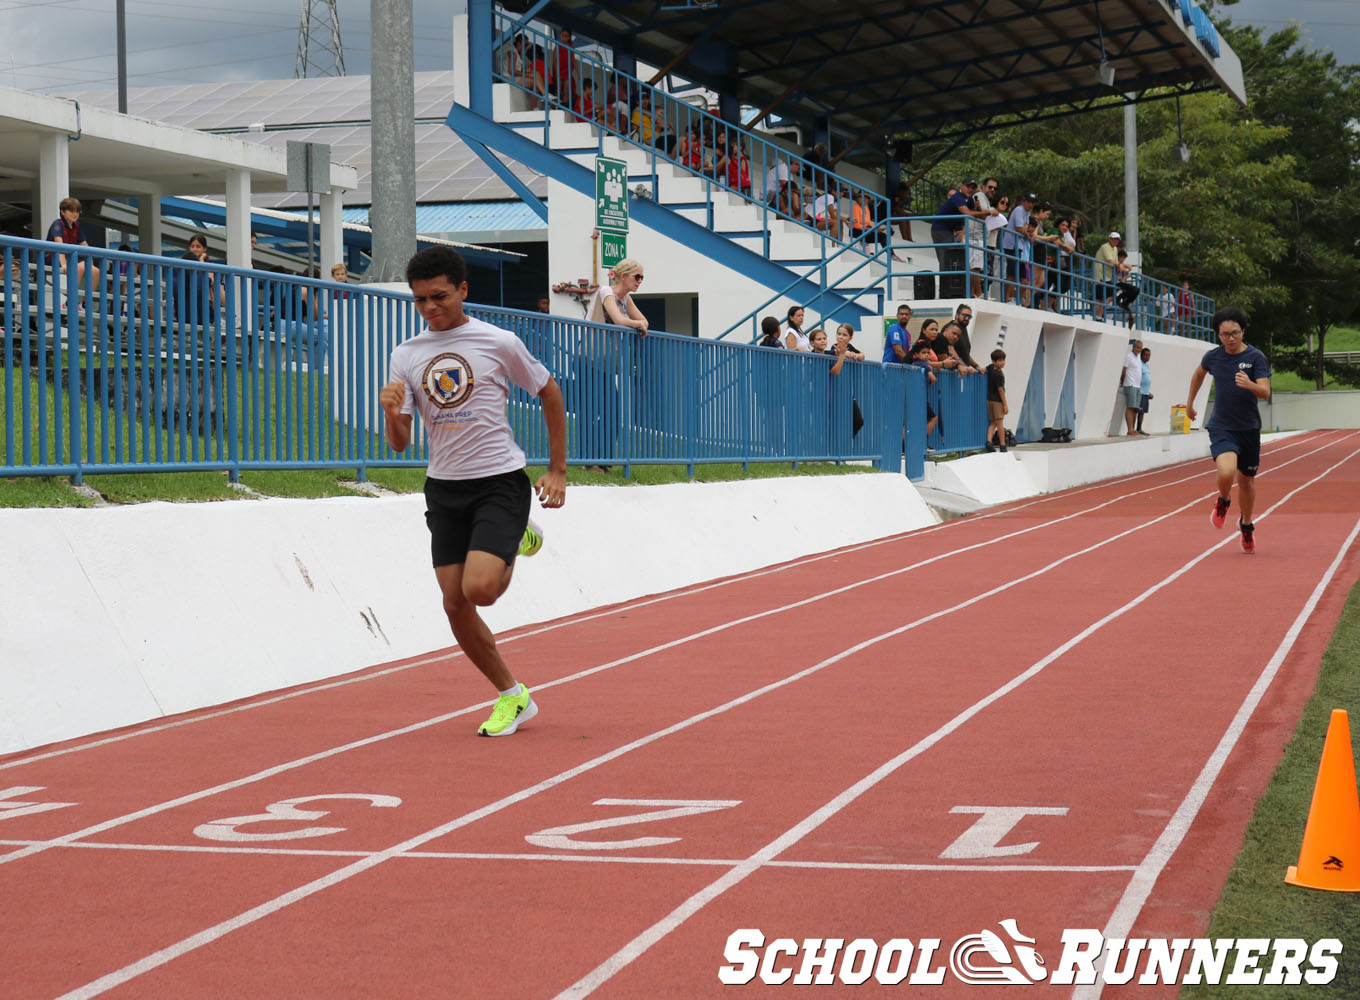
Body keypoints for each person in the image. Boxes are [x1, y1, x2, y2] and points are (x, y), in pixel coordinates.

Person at [379, 246, 566, 736]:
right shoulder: (406, 354)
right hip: (443, 488)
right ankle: (513, 696)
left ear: (463, 289)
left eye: (438, 296)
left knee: (479, 590)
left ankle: (516, 539)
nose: (429, 308)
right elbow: (399, 445)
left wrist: (558, 470)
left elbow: (548, 391)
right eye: (419, 300)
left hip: (499, 481)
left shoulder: (498, 341)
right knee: (453, 602)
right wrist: (390, 411)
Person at [1185, 306, 1271, 554]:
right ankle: (1223, 500)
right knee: (1227, 470)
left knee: (1247, 480)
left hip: (1249, 428)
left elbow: (1265, 392)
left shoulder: (1256, 358)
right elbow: (1198, 375)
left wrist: (1250, 384)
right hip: (1222, 425)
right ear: (1218, 335)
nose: (1230, 338)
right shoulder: (1214, 356)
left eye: (1234, 333)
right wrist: (1190, 404)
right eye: (1224, 334)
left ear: (1243, 332)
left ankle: (1246, 525)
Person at [584, 258, 648, 472]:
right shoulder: (606, 292)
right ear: (624, 277)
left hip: (604, 363)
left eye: (642, 277)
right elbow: (619, 320)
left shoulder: (625, 298)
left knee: (612, 411)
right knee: (600, 410)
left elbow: (644, 321)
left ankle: (602, 461)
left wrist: (638, 323)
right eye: (636, 276)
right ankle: (592, 461)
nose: (640, 281)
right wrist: (636, 323)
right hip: (588, 360)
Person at [45, 196, 101, 298]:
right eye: (71, 211)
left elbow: (85, 245)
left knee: (96, 271)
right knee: (78, 267)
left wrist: (90, 263)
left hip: (69, 258)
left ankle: (85, 303)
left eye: (77, 211)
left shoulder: (77, 226)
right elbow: (59, 246)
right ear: (63, 212)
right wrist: (63, 264)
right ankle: (71, 301)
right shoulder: (57, 224)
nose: (75, 214)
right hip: (54, 257)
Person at [908, 339, 939, 439]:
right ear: (916, 355)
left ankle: (904, 446)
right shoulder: (925, 365)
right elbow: (933, 378)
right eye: (923, 353)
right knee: (933, 418)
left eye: (928, 353)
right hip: (921, 399)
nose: (926, 355)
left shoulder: (914, 364)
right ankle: (923, 441)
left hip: (912, 397)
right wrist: (929, 382)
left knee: (911, 422)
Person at [985, 349, 1008, 452]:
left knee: (993, 422)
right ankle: (1003, 445)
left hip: (989, 400)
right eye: (1000, 360)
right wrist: (1005, 405)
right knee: (999, 423)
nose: (1002, 362)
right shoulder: (999, 375)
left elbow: (984, 369)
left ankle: (989, 442)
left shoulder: (990, 368)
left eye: (1003, 360)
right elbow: (1000, 390)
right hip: (997, 401)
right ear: (994, 361)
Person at [1119, 338, 1143, 436]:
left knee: (1134, 408)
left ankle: (1132, 430)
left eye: (1140, 348)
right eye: (1137, 347)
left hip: (1137, 386)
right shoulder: (1129, 356)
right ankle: (1130, 429)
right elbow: (1124, 370)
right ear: (1133, 347)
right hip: (1130, 384)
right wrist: (1123, 381)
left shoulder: (1138, 357)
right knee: (1130, 407)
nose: (1139, 349)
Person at [1135, 345, 1152, 435]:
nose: (1147, 357)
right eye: (1146, 355)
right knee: (1137, 411)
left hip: (1145, 392)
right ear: (1141, 355)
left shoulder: (1146, 365)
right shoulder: (1139, 363)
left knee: (1142, 412)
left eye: (1149, 355)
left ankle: (1139, 428)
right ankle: (1134, 429)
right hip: (1139, 392)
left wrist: (1148, 392)